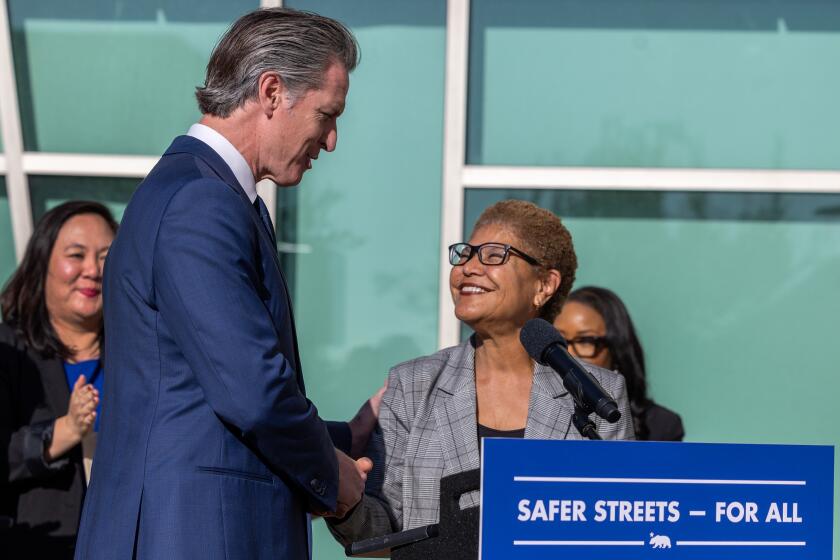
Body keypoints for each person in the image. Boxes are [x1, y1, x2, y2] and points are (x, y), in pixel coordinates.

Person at [75, 9, 370, 560]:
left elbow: (196, 399)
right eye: (327, 115)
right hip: (196, 535)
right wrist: (332, 472)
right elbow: (252, 394)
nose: (330, 140)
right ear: (272, 91)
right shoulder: (202, 203)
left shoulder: (204, 195)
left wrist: (349, 436)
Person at [328, 200, 635, 545]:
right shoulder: (413, 385)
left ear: (544, 285)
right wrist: (348, 503)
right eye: (464, 254)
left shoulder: (597, 392)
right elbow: (385, 527)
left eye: (493, 255)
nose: (468, 267)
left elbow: (614, 528)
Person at [0, 201, 117, 559]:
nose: (92, 270)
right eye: (76, 255)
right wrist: (61, 433)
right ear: (42, 264)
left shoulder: (138, 354)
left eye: (105, 256)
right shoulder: (9, 351)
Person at [555, 286, 684, 441]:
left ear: (616, 350)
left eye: (585, 341)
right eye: (559, 341)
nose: (570, 354)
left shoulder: (660, 426)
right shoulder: (532, 413)